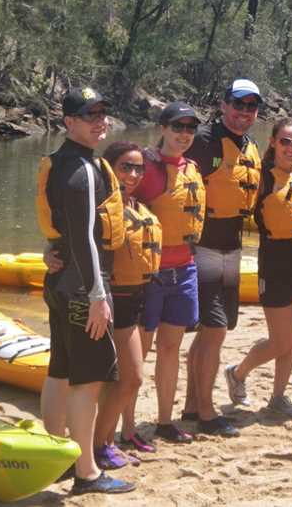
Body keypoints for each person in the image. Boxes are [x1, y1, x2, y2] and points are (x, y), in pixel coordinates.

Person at [35, 87, 135, 495]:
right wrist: (97, 295)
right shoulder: (81, 172)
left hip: (61, 284)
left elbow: (61, 231)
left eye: (103, 114)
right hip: (82, 288)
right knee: (88, 379)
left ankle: (55, 456)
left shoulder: (62, 163)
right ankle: (86, 472)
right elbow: (85, 239)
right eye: (89, 115)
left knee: (60, 369)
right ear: (68, 122)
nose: (100, 122)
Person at [224, 119, 292, 417]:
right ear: (273, 143)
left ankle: (278, 396)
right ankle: (238, 373)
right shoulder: (261, 178)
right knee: (282, 339)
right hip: (276, 264)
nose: (291, 148)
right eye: (285, 142)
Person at [182, 79, 262, 437]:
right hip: (202, 247)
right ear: (223, 105)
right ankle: (207, 413)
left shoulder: (250, 148)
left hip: (232, 249)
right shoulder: (202, 143)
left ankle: (189, 405)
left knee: (210, 333)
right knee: (213, 330)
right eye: (238, 105)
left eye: (251, 107)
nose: (243, 113)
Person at [130, 102, 205, 446]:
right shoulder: (144, 168)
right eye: (178, 127)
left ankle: (163, 421)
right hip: (150, 274)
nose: (184, 134)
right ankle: (127, 428)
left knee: (171, 348)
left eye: (190, 129)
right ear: (162, 128)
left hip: (184, 269)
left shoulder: (192, 168)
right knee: (138, 353)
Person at [91, 141, 162, 469]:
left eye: (138, 168)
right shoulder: (99, 205)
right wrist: (52, 254)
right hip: (109, 300)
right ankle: (99, 445)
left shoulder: (137, 204)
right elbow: (72, 240)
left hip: (136, 297)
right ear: (109, 168)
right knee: (125, 377)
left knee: (126, 378)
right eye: (125, 167)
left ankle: (103, 442)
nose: (133, 174)